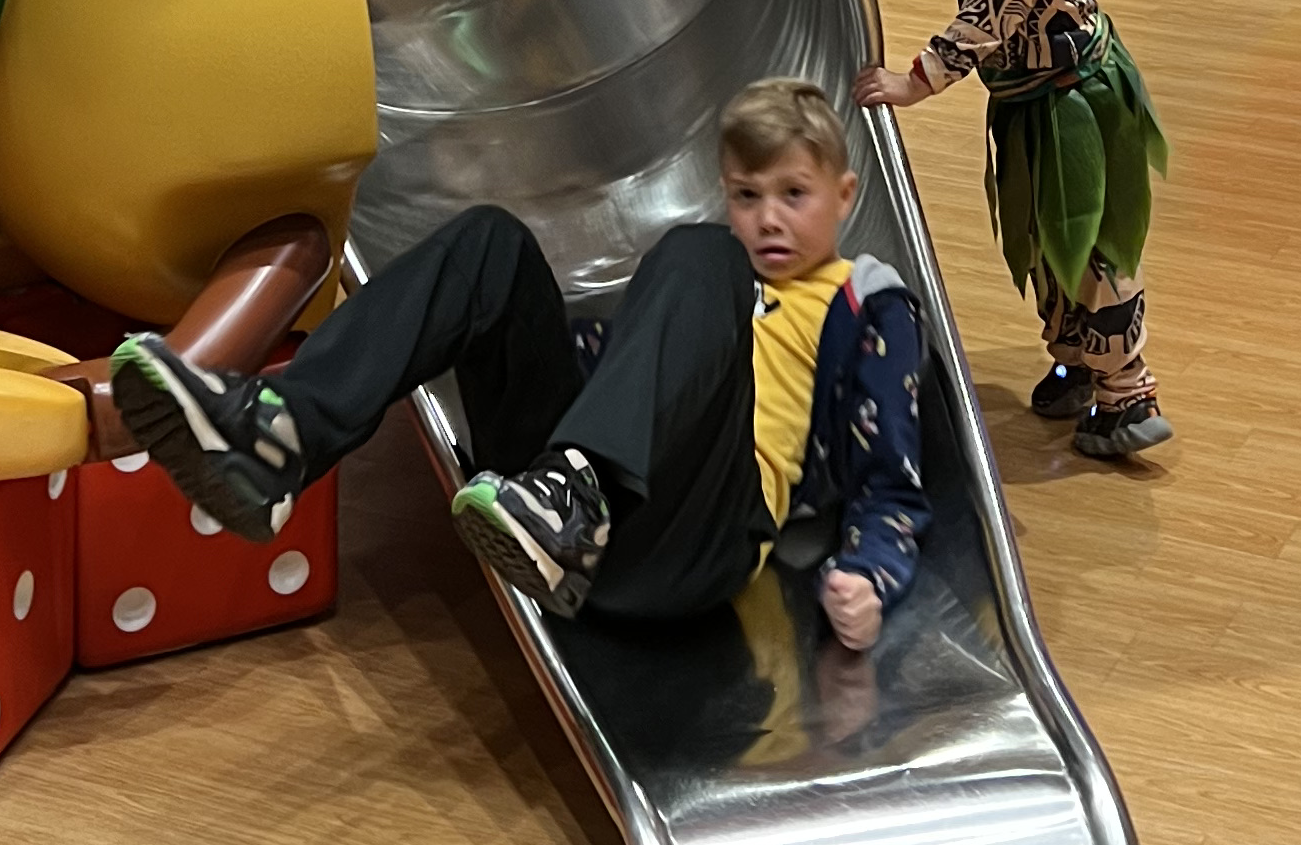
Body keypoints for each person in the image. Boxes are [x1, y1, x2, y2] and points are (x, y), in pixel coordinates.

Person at [96, 81, 928, 653]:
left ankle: (575, 499)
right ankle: (282, 437)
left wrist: (870, 572)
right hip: (551, 521)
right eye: (747, 195)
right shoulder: (700, 294)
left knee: (702, 255)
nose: (768, 219)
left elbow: (892, 476)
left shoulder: (863, 302)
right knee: (492, 242)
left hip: (696, 544)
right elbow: (611, 367)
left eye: (794, 194)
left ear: (845, 195)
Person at [839, 0, 1173, 465]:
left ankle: (1129, 392)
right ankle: (1077, 365)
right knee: (1043, 239)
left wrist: (917, 79)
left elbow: (996, 10)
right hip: (1024, 94)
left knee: (1087, 240)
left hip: (1074, 96)